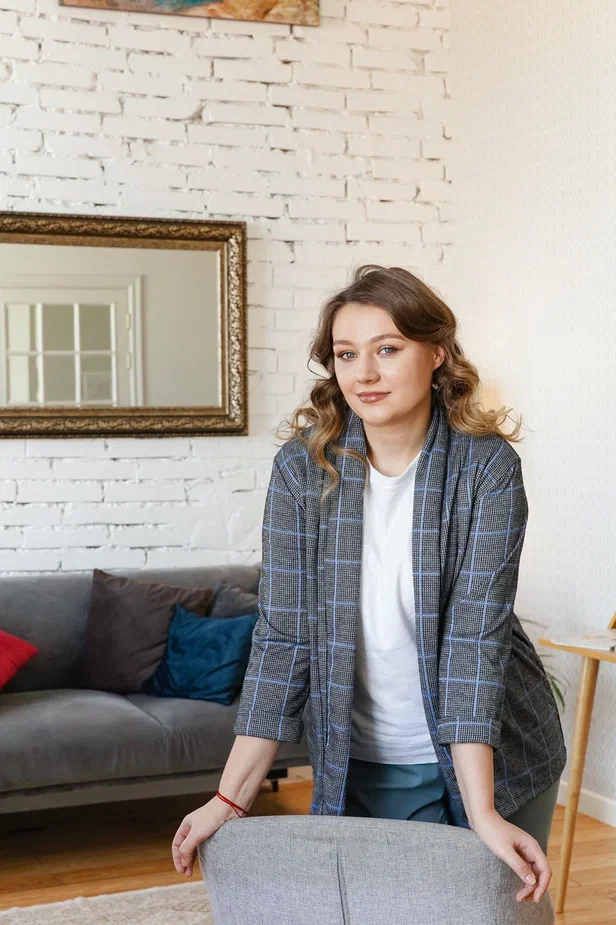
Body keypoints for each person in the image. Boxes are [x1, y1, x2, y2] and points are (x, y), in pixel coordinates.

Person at [171, 264, 567, 906]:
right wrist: (230, 796)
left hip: (495, 757)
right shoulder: (304, 468)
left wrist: (483, 811)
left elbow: (474, 640)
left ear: (436, 353)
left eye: (387, 349)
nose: (364, 374)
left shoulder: (486, 467)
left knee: (483, 914)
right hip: (354, 755)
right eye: (346, 354)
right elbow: (284, 636)